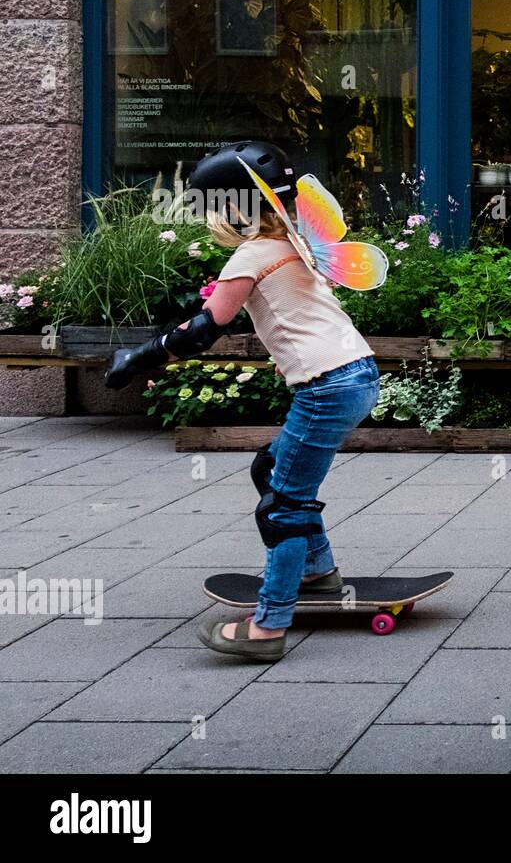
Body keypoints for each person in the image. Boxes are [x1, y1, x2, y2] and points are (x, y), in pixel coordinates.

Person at [105, 141, 379, 662]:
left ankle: (268, 627)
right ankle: (319, 572)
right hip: (357, 375)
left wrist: (138, 358)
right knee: (271, 467)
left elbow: (205, 328)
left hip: (328, 387)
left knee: (284, 506)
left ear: (234, 208)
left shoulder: (251, 254)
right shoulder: (294, 242)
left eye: (213, 206)